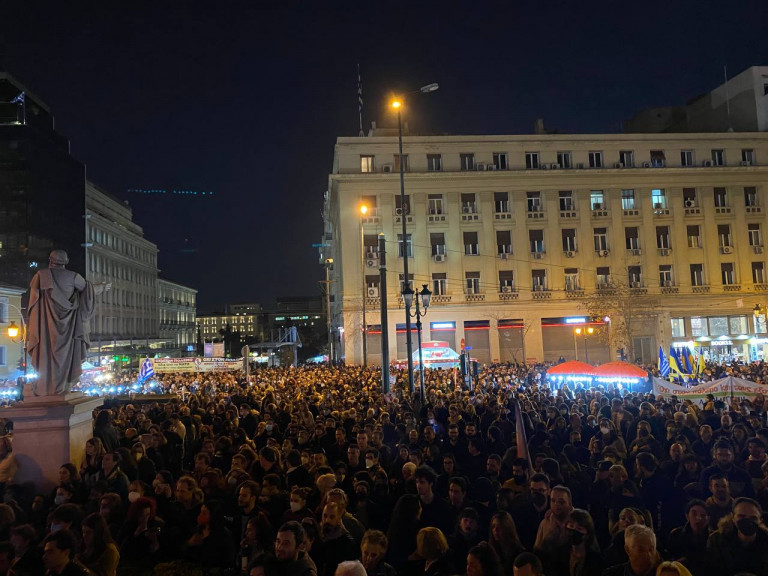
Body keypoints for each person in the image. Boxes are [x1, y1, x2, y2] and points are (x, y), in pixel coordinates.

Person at [27, 249, 109, 396]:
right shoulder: (73, 277)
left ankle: (45, 387)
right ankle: (63, 385)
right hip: (69, 331)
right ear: (66, 262)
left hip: (46, 329)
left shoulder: (40, 276)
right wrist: (102, 287)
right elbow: (88, 291)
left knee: (46, 355)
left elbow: (34, 304)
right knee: (66, 358)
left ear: (50, 260)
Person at [705, 497, 768, 576]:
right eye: (741, 516)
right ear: (733, 518)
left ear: (760, 520)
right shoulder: (717, 541)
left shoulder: (765, 541)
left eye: (753, 518)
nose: (747, 521)